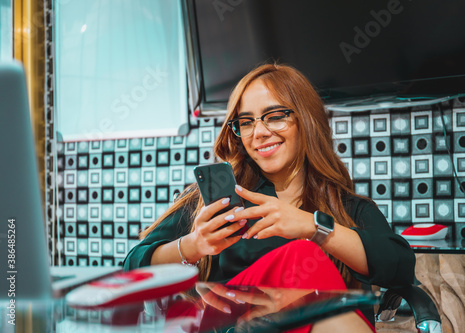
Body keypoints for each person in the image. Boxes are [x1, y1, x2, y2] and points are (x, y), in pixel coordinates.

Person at [123, 63, 416, 332]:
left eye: (275, 117)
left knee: (326, 307)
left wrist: (313, 226)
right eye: (246, 122)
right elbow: (133, 268)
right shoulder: (217, 202)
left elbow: (400, 267)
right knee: (303, 257)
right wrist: (193, 245)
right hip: (233, 325)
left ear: (307, 121)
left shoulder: (346, 207)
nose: (259, 133)